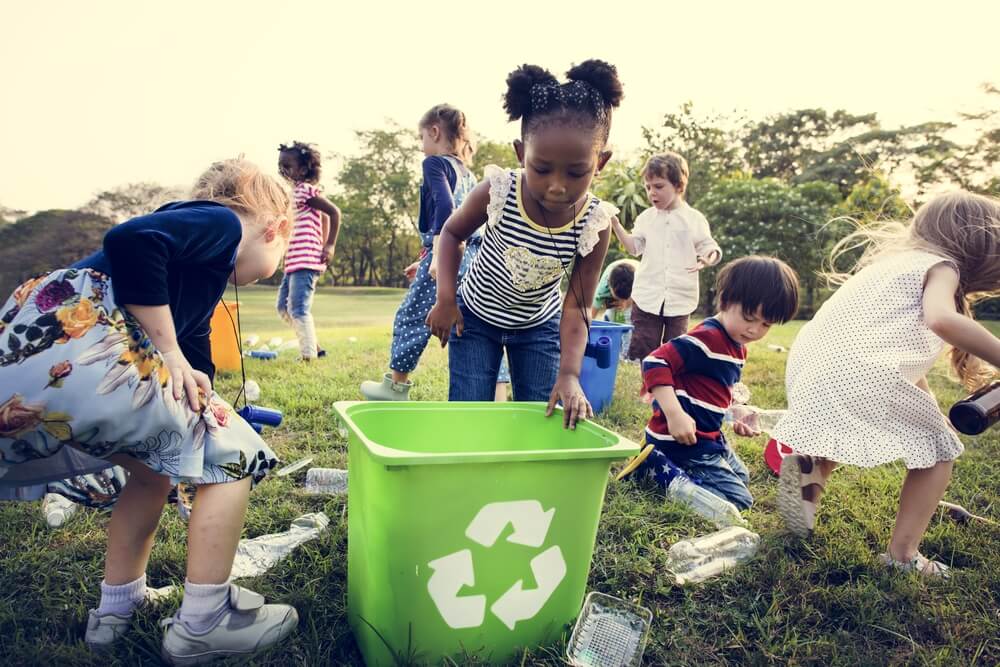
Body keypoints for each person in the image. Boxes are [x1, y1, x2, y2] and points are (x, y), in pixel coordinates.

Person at [0, 159, 299, 663]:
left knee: (153, 473)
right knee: (234, 462)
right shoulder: (224, 222)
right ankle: (204, 623)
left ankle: (115, 611)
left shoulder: (195, 262)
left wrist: (200, 413)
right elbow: (129, 239)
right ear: (277, 227)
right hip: (87, 342)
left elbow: (195, 346)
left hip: (38, 355)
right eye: (284, 255)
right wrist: (171, 353)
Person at [773, 191, 1000, 578]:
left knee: (837, 429)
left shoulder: (893, 266)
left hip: (808, 367)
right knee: (937, 452)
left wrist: (927, 405)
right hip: (857, 372)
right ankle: (903, 555)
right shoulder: (943, 267)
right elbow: (942, 320)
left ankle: (808, 477)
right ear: (980, 247)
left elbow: (898, 351)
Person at [426, 59, 624, 428]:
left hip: (538, 327)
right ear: (521, 153)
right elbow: (453, 233)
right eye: (542, 168)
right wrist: (446, 300)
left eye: (576, 171)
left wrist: (569, 374)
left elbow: (578, 305)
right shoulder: (499, 191)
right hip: (474, 321)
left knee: (542, 416)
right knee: (468, 416)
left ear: (601, 162)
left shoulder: (595, 224)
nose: (557, 185)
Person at [621, 256, 799, 509]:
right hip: (683, 442)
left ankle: (667, 465)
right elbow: (655, 362)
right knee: (739, 501)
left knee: (742, 478)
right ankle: (658, 473)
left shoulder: (736, 345)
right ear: (725, 300)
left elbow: (712, 392)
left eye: (766, 324)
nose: (754, 330)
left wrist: (737, 414)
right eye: (749, 317)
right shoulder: (708, 338)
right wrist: (674, 415)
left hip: (708, 437)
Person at [360, 104, 508, 399]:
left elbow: (445, 209)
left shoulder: (434, 164)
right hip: (476, 258)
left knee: (411, 316)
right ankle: (499, 397)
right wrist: (426, 260)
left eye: (421, 137)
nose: (421, 145)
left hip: (450, 251)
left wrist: (440, 256)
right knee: (480, 324)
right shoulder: (468, 172)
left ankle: (395, 387)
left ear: (435, 131)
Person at [611, 152, 721, 360]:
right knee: (643, 344)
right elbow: (634, 248)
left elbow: (709, 246)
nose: (652, 192)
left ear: (679, 186)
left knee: (675, 349)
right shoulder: (646, 218)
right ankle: (648, 388)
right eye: (648, 187)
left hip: (680, 296)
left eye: (659, 186)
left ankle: (669, 387)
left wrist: (707, 257)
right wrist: (616, 225)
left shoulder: (694, 219)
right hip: (647, 294)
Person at [276, 141, 342, 360]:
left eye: (288, 166)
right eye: (280, 166)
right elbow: (321, 217)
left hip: (306, 259)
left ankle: (308, 356)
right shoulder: (292, 194)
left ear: (303, 170)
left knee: (298, 309)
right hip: (293, 261)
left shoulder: (305, 191)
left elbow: (333, 213)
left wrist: (329, 245)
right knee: (283, 308)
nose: (282, 170)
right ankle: (315, 346)